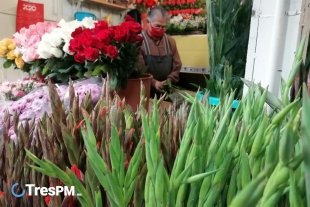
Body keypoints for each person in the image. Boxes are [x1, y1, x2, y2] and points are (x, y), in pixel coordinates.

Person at [138, 6, 182, 98]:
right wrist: (154, 83)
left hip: (166, 91)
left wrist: (169, 80)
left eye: (164, 27)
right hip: (145, 91)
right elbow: (139, 70)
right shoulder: (139, 41)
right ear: (148, 22)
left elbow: (177, 65)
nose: (160, 30)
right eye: (157, 26)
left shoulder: (170, 41)